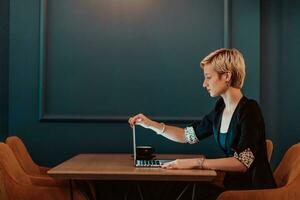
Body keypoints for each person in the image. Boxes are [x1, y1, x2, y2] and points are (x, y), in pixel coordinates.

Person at [128, 48, 277, 200]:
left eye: (208, 77)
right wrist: (150, 124)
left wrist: (196, 163)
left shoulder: (249, 110)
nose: (204, 84)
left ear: (226, 76)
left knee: (188, 191)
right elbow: (187, 136)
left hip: (252, 191)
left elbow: (242, 163)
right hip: (232, 186)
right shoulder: (220, 109)